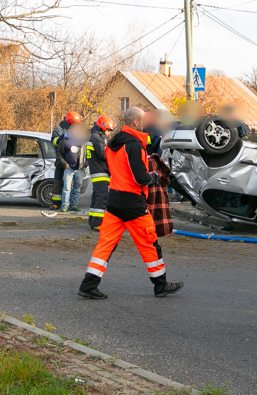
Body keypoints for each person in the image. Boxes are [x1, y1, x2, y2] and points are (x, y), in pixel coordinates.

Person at [78, 107, 184, 300]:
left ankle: (88, 285)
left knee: (105, 245)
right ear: (135, 122)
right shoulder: (134, 145)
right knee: (150, 244)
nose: (146, 123)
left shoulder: (112, 143)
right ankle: (160, 286)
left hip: (115, 200)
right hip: (133, 203)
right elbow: (140, 177)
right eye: (143, 120)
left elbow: (116, 170)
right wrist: (155, 176)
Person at [87, 115, 115, 230]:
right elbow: (103, 155)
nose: (109, 133)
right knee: (102, 197)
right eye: (108, 130)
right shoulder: (97, 138)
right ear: (103, 128)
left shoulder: (93, 137)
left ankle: (93, 221)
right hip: (100, 172)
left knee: (96, 197)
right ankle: (98, 223)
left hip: (96, 171)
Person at [50, 111, 82, 210]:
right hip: (62, 160)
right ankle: (56, 203)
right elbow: (54, 142)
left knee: (72, 185)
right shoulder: (59, 129)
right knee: (58, 182)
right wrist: (63, 138)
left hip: (73, 161)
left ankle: (70, 204)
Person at [56, 123, 88, 213]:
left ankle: (73, 206)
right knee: (66, 188)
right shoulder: (65, 141)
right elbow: (59, 154)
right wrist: (65, 164)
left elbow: (86, 155)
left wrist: (84, 164)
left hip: (79, 169)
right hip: (68, 168)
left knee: (77, 189)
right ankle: (65, 206)